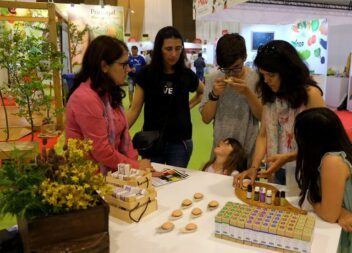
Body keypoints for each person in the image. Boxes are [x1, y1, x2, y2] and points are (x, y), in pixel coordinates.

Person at [234, 40, 325, 193]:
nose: (266, 80)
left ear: (288, 72)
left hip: (304, 168)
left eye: (271, 75)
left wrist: (289, 157)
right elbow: (263, 135)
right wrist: (254, 167)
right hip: (275, 168)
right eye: (263, 74)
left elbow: (321, 141)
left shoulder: (310, 95)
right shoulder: (269, 95)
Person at [65, 35, 152, 174]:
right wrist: (135, 166)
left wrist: (136, 164)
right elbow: (101, 150)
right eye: (123, 65)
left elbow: (124, 135)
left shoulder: (108, 93)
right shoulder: (85, 98)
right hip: (91, 181)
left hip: (115, 174)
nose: (128, 69)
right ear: (104, 66)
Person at [127, 26, 204, 168]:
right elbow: (134, 109)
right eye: (168, 49)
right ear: (159, 49)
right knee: (153, 183)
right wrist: (119, 132)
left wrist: (189, 105)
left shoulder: (186, 74)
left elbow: (202, 92)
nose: (174, 54)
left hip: (180, 142)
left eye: (178, 48)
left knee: (176, 185)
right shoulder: (146, 74)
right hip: (151, 141)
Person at [294, 107, 352, 253]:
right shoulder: (340, 152)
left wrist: (312, 198)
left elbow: (329, 215)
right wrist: (339, 210)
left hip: (343, 233)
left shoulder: (332, 161)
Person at [199, 33, 262, 163]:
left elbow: (262, 116)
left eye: (236, 68)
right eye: (226, 69)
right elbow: (206, 118)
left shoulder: (257, 79)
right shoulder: (213, 78)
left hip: (247, 152)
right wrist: (214, 95)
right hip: (220, 152)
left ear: (244, 57)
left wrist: (248, 93)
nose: (230, 73)